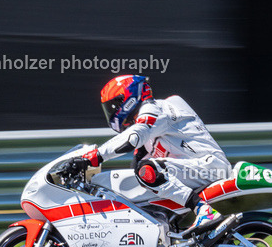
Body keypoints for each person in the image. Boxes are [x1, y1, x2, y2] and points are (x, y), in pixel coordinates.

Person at [72, 74, 229, 225]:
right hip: (192, 171)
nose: (111, 112)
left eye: (113, 106)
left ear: (126, 99)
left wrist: (93, 157)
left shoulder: (155, 108)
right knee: (138, 185)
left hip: (210, 167)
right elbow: (135, 167)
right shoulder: (147, 129)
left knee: (147, 170)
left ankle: (204, 210)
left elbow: (133, 137)